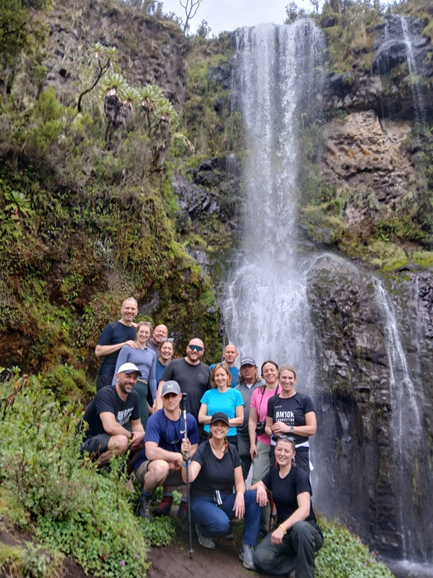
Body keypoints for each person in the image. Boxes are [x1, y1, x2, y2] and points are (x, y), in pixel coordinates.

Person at [182, 412, 261, 570]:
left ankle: (247, 546)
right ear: (210, 428)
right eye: (215, 425)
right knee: (223, 525)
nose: (219, 428)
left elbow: (240, 481)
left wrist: (240, 494)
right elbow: (188, 478)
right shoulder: (203, 449)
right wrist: (186, 459)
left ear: (228, 428)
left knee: (253, 496)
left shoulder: (232, 450)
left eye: (223, 425)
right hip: (201, 500)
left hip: (223, 499)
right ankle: (203, 529)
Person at [252, 436, 323, 578]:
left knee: (299, 527)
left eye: (286, 451)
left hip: (307, 532)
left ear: (293, 454)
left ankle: (304, 574)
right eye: (279, 450)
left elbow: (304, 510)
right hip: (285, 535)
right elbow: (251, 488)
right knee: (260, 559)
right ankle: (296, 564)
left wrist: (282, 528)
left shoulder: (299, 475)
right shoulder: (273, 474)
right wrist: (260, 488)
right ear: (274, 450)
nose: (282, 454)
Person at [135, 381, 199, 522]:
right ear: (162, 398)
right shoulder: (154, 419)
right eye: (167, 396)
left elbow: (195, 446)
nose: (170, 400)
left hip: (177, 468)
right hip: (150, 467)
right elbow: (150, 452)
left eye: (173, 396)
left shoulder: (189, 420)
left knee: (194, 464)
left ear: (180, 396)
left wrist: (185, 456)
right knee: (161, 467)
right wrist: (176, 457)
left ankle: (185, 504)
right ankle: (145, 499)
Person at [81, 362, 145, 466]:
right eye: (128, 376)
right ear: (117, 377)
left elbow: (136, 424)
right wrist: (131, 436)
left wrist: (141, 436)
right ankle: (90, 468)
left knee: (145, 442)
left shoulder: (134, 396)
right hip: (89, 440)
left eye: (134, 378)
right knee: (122, 441)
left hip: (113, 439)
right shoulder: (105, 394)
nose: (132, 381)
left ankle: (124, 473)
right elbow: (110, 427)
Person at [266, 365, 317, 475]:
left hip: (299, 449)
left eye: (290, 378)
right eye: (284, 378)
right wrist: (273, 432)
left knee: (301, 482)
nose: (287, 381)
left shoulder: (304, 400)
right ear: (279, 379)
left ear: (295, 379)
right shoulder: (272, 401)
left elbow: (312, 429)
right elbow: (267, 427)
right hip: (278, 450)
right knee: (277, 482)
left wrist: (288, 429)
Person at [249, 360, 281, 532]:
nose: (269, 373)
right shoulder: (258, 392)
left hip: (281, 445)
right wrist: (252, 443)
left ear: (277, 372)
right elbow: (252, 420)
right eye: (266, 371)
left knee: (280, 483)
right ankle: (260, 524)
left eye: (272, 370)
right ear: (261, 374)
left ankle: (278, 523)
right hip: (262, 442)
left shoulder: (284, 390)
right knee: (257, 481)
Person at [113, 321, 157, 429]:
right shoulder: (127, 348)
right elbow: (118, 369)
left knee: (143, 422)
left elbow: (152, 378)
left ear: (150, 335)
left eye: (146, 332)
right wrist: (114, 390)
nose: (143, 334)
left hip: (143, 391)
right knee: (125, 422)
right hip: (128, 386)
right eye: (141, 331)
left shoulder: (152, 354)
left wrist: (155, 398)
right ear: (136, 332)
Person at [156, 338, 211, 422]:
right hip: (173, 419)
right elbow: (161, 387)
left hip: (197, 422)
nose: (195, 350)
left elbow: (210, 397)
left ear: (202, 351)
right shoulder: (174, 364)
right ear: (187, 348)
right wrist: (159, 412)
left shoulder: (207, 370)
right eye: (192, 347)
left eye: (198, 348)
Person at [95, 297, 139, 391]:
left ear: (136, 312)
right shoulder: (111, 327)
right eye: (127, 308)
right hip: (108, 375)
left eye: (132, 309)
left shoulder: (137, 330)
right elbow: (98, 351)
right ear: (121, 310)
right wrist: (123, 344)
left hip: (127, 378)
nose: (129, 311)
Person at [198, 363, 244, 446]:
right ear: (213, 378)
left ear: (228, 376)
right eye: (217, 375)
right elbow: (201, 418)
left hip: (229, 437)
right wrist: (221, 420)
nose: (220, 378)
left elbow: (240, 419)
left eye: (222, 375)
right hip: (209, 436)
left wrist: (217, 422)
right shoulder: (208, 394)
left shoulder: (236, 394)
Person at [234, 357, 263, 479]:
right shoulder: (236, 390)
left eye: (250, 367)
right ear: (240, 371)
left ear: (256, 369)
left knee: (261, 473)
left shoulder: (264, 387)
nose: (247, 369)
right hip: (242, 436)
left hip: (261, 436)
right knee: (240, 473)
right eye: (244, 367)